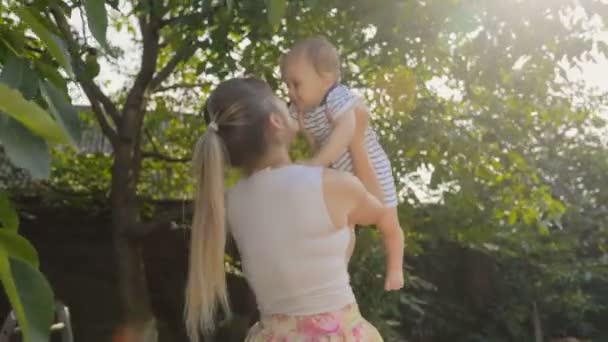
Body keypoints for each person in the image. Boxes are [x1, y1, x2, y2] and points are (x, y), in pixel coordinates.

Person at [184, 77, 404, 341]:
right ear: (276, 122)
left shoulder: (231, 203)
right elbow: (382, 211)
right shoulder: (331, 186)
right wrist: (355, 140)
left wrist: (319, 147)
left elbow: (296, 191)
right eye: (282, 101)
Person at [281, 36, 404, 291]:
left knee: (388, 224)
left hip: (373, 169)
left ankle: (395, 267)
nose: (290, 92)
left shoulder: (337, 97)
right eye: (286, 85)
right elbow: (291, 133)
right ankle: (340, 270)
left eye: (296, 84)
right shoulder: (301, 108)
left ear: (326, 79)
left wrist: (317, 163)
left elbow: (347, 131)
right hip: (342, 173)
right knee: (343, 223)